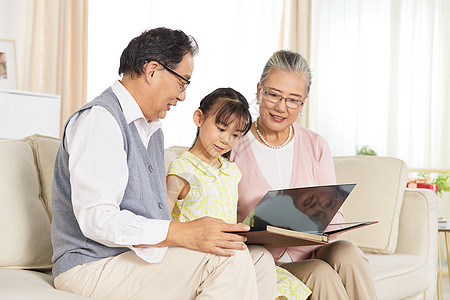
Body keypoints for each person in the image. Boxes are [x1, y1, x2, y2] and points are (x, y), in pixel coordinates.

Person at [51, 27, 276, 300]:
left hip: (137, 257)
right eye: (183, 83)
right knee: (228, 261)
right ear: (153, 70)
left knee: (258, 261)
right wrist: (184, 233)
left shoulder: (152, 130)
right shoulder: (101, 120)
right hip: (91, 265)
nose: (182, 96)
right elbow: (97, 220)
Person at [230, 50, 377, 300]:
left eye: (293, 100)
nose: (281, 107)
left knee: (349, 254)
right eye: (274, 95)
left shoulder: (316, 144)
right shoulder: (234, 144)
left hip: (314, 249)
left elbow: (336, 212)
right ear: (258, 90)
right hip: (265, 259)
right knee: (320, 272)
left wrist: (321, 222)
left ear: (303, 103)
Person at [166, 87, 311, 300]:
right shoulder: (182, 169)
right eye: (221, 128)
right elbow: (163, 223)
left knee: (286, 289)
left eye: (235, 135)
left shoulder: (231, 171)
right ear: (199, 117)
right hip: (197, 254)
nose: (226, 140)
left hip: (231, 252)